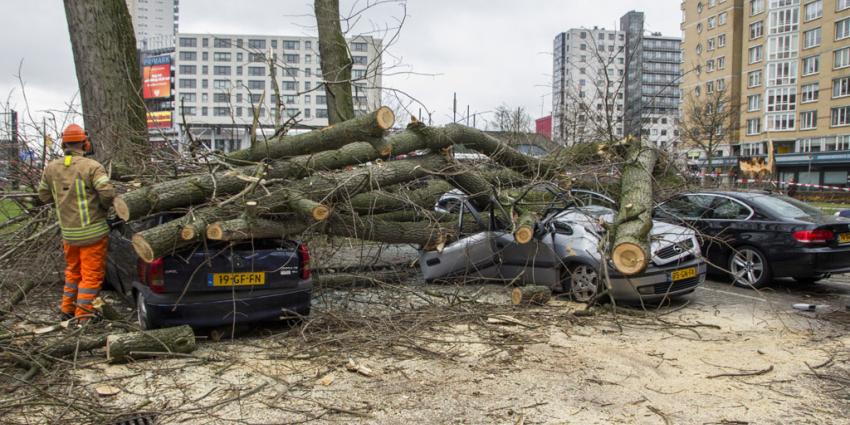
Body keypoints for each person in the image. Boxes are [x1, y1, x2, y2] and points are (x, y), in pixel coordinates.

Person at [37, 124, 115, 321]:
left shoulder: (51, 168)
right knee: (90, 276)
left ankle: (67, 310)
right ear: (85, 142)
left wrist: (62, 204)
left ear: (64, 144)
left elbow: (43, 195)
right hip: (93, 233)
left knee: (73, 272)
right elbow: (107, 192)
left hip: (69, 234)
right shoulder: (92, 167)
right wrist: (104, 208)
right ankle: (83, 317)